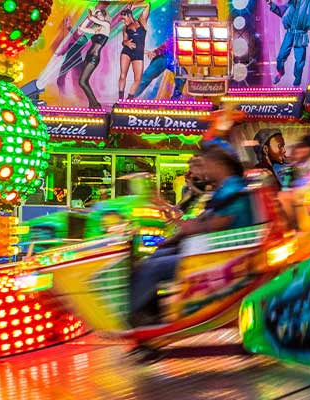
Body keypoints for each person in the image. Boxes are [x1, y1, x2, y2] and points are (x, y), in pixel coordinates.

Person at [128, 147, 255, 326]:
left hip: (221, 257)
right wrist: (173, 235)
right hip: (212, 250)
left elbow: (208, 225)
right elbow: (199, 221)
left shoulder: (232, 191)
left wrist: (176, 221)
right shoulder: (223, 189)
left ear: (219, 165)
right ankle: (149, 315)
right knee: (154, 257)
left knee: (152, 267)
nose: (202, 172)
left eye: (205, 165)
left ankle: (130, 319)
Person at [268, 0, 310, 86]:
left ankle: (297, 81)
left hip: (301, 34)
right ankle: (280, 72)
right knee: (280, 57)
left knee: (300, 61)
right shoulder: (292, 2)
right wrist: (270, 3)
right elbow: (281, 11)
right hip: (290, 33)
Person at [77, 8, 111, 108]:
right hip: (88, 57)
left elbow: (93, 18)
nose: (98, 16)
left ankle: (95, 104)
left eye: (100, 14)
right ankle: (92, 104)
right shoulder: (96, 30)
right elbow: (81, 28)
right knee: (84, 81)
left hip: (94, 58)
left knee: (82, 82)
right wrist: (89, 18)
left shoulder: (107, 26)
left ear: (104, 16)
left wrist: (91, 14)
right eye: (97, 15)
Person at [119, 5, 150, 100]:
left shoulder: (142, 21)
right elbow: (123, 41)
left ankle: (129, 99)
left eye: (124, 19)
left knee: (138, 79)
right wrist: (126, 43)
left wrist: (134, 6)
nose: (123, 21)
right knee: (123, 75)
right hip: (127, 52)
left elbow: (147, 5)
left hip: (138, 54)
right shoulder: (125, 28)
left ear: (129, 16)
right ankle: (120, 100)